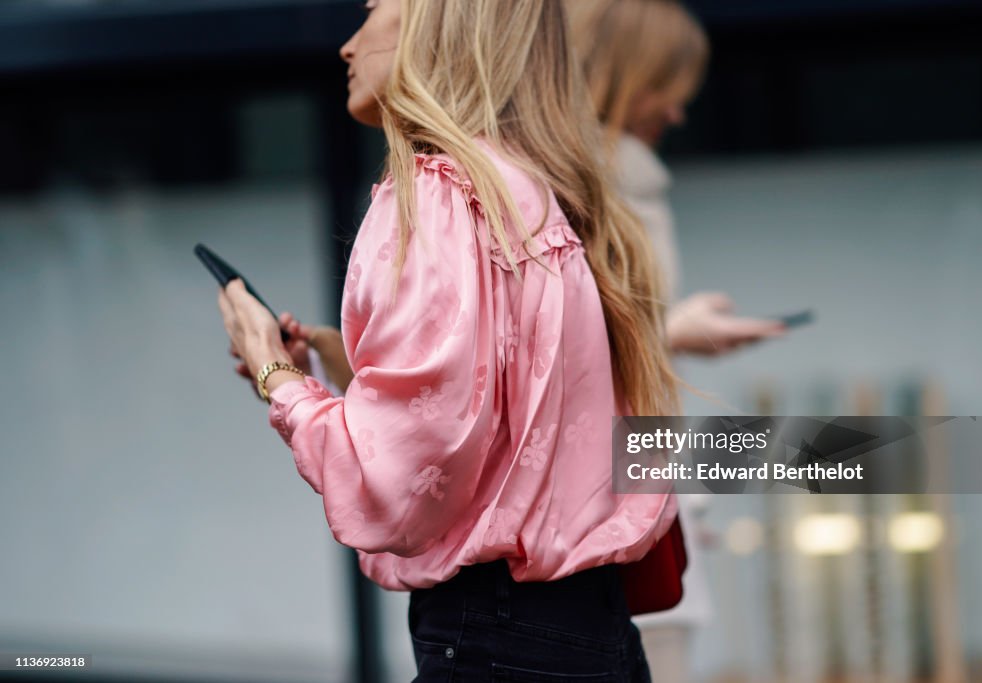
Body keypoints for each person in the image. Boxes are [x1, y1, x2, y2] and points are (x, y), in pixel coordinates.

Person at [214, 0, 680, 680]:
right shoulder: (547, 198)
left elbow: (396, 490)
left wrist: (272, 374)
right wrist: (352, 378)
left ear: (438, 20)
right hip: (597, 634)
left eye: (374, 9)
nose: (348, 45)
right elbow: (528, 443)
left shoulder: (434, 195)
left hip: (495, 638)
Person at [566, 1, 786, 680]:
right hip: (612, 526)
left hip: (631, 510)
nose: (679, 113)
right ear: (623, 77)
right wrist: (672, 331)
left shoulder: (618, 184)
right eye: (669, 88)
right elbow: (568, 354)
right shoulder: (588, 191)